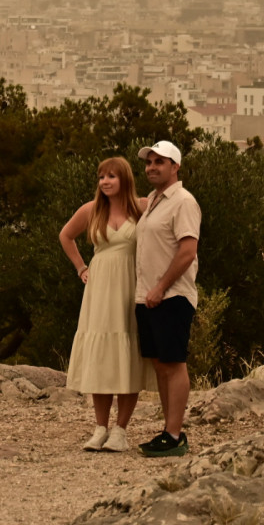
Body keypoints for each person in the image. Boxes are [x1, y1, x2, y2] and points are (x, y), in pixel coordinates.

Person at [59, 156, 156, 453]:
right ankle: (100, 428)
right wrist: (81, 267)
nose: (105, 182)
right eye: (102, 177)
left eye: (112, 176)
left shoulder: (141, 207)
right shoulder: (91, 210)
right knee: (101, 357)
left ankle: (121, 430)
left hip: (130, 286)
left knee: (128, 357)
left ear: (124, 179)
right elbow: (66, 235)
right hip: (99, 289)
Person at [134, 140, 201, 458]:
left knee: (173, 364)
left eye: (160, 162)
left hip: (172, 296)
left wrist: (161, 287)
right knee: (161, 364)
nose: (152, 166)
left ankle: (175, 434)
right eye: (149, 162)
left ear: (175, 167)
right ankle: (167, 431)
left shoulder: (183, 202)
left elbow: (188, 251)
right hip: (148, 296)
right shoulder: (152, 202)